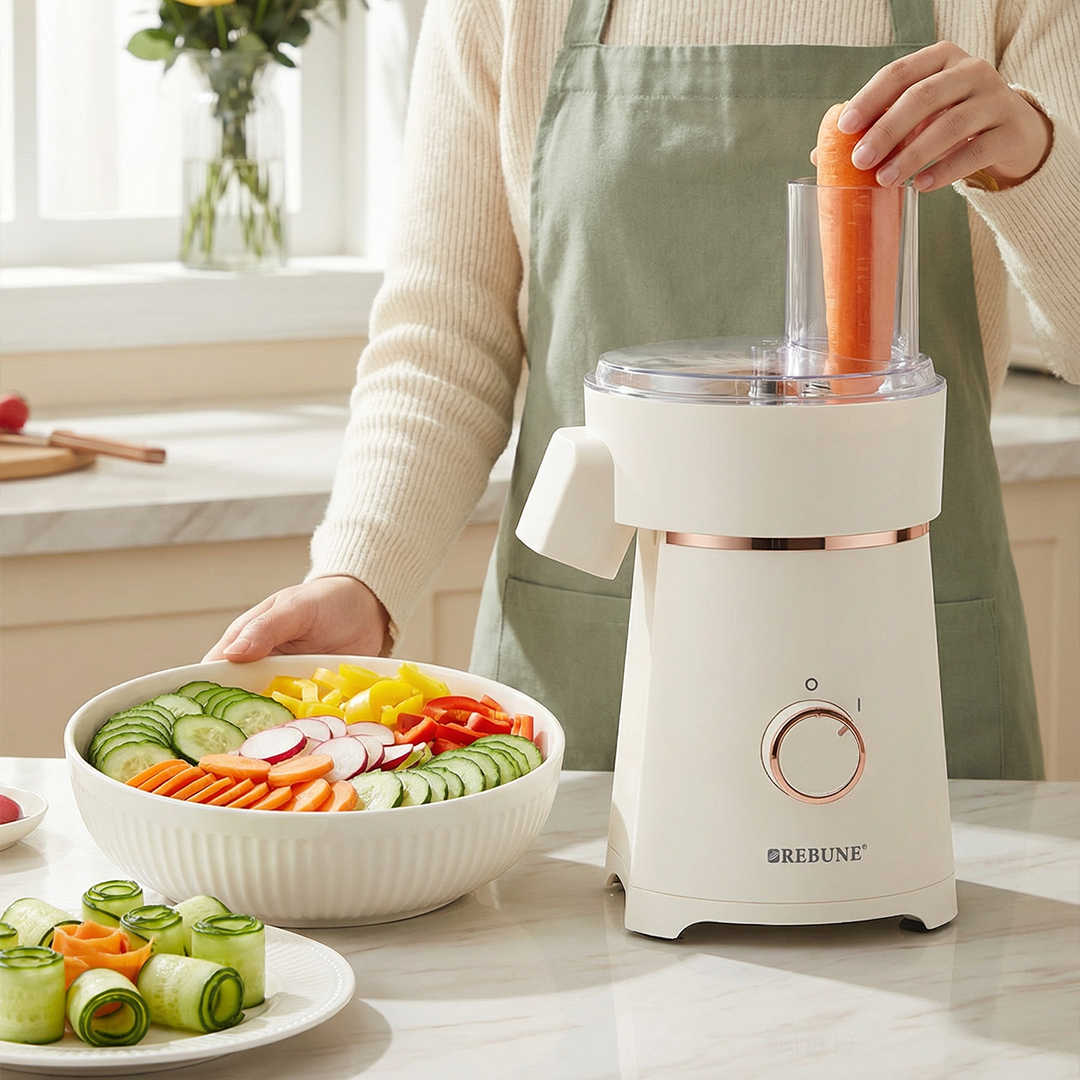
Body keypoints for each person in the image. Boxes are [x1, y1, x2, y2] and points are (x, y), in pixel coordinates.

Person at [207, 0, 1079, 779]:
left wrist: (1033, 159)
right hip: (600, 659)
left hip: (902, 644)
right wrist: (362, 576)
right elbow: (444, 341)